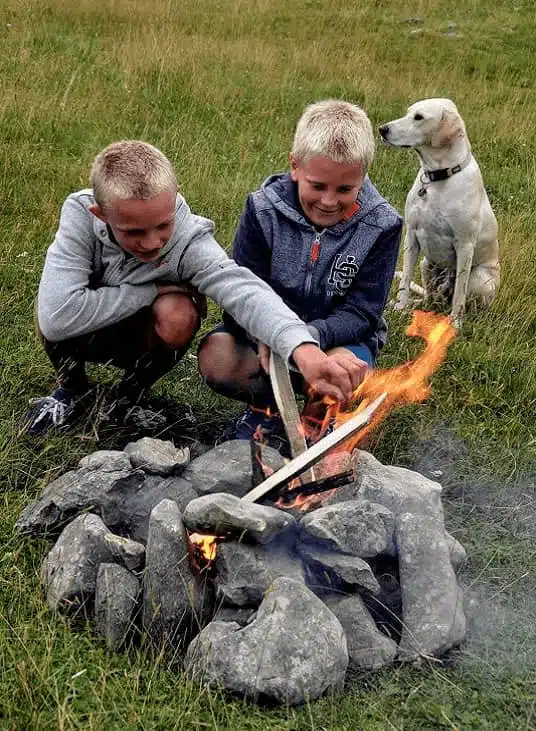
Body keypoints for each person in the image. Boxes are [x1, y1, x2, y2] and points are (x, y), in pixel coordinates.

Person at [23, 140, 365, 436]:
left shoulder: (189, 239)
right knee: (52, 308)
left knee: (179, 313)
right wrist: (152, 291)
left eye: (163, 225)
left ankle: (128, 396)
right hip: (83, 330)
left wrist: (303, 349)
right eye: (134, 232)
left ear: (174, 199)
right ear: (101, 215)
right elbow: (58, 317)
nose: (153, 242)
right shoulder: (80, 217)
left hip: (138, 332)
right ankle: (73, 390)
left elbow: (245, 291)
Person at [198, 100, 403, 447]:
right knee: (218, 356)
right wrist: (274, 336)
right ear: (295, 166)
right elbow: (239, 296)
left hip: (337, 342)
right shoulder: (262, 210)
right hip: (263, 340)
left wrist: (306, 338)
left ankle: (316, 422)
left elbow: (363, 313)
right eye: (318, 185)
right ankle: (268, 410)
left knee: (348, 373)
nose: (328, 201)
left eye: (345, 189)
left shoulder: (382, 224)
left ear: (363, 177)